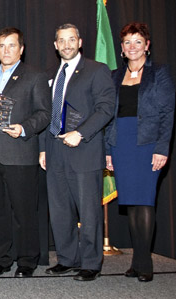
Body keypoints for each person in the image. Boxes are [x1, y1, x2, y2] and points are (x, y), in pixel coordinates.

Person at [39, 23, 115, 281]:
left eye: (72, 39)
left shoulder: (97, 70)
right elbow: (44, 115)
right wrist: (42, 149)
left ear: (80, 42)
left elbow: (106, 108)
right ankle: (67, 258)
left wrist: (80, 132)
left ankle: (91, 263)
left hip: (84, 150)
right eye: (62, 40)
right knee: (60, 210)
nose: (67, 44)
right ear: (55, 45)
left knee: (89, 211)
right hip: (54, 151)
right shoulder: (50, 75)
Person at [105, 22, 175, 282]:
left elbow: (168, 113)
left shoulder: (160, 73)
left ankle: (145, 263)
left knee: (144, 201)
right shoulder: (114, 75)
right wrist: (108, 151)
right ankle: (137, 260)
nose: (132, 47)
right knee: (131, 204)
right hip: (120, 144)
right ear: (121, 48)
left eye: (137, 42)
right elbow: (109, 116)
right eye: (127, 42)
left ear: (147, 45)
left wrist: (161, 148)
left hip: (147, 145)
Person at [0, 27, 51, 278]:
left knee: (23, 212)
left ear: (21, 49)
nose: (6, 50)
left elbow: (45, 113)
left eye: (11, 45)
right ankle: (0, 259)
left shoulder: (35, 76)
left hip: (21, 153)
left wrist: (24, 128)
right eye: (1, 45)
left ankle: (26, 260)